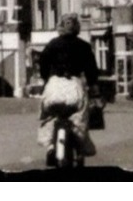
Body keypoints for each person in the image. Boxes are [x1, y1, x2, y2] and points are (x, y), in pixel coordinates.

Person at [35, 14, 100, 161]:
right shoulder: (84, 46)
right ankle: (81, 149)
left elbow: (43, 65)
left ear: (61, 26)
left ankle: (51, 146)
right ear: (77, 27)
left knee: (48, 115)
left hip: (55, 86)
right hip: (74, 87)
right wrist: (93, 86)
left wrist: (47, 79)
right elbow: (91, 71)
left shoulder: (52, 45)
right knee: (81, 116)